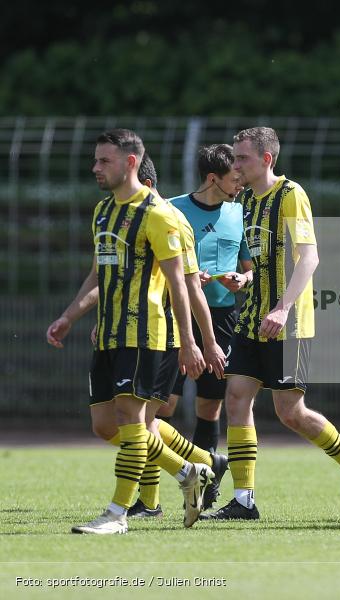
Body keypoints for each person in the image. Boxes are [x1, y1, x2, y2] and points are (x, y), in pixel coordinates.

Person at [203, 127, 340, 521]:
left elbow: (309, 258)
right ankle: (244, 500)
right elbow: (253, 262)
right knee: (236, 398)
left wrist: (281, 309)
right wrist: (241, 279)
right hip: (251, 319)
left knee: (290, 412)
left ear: (266, 159)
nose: (236, 165)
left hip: (290, 322)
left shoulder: (290, 195)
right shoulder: (244, 199)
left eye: (242, 158)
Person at [46, 129, 212, 534]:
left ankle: (117, 514)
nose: (95, 168)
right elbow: (98, 273)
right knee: (105, 426)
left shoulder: (158, 214)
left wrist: (190, 342)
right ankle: (190, 471)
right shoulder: (103, 211)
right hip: (108, 334)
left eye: (104, 161)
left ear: (131, 162)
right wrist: (70, 316)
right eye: (96, 160)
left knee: (132, 419)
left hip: (146, 334)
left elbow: (179, 283)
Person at [79, 153, 231, 521]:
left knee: (140, 419)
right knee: (114, 424)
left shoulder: (168, 218)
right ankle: (201, 463)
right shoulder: (111, 214)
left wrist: (201, 342)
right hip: (121, 331)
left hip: (156, 333)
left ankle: (145, 502)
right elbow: (107, 274)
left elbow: (190, 287)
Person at [157, 145, 251, 505]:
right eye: (234, 179)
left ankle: (206, 485)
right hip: (176, 315)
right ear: (214, 179)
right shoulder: (173, 210)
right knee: (161, 406)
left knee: (210, 407)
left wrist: (243, 281)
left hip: (221, 318)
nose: (240, 185)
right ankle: (197, 467)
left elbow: (249, 268)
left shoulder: (238, 212)